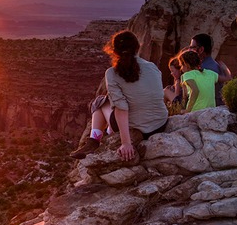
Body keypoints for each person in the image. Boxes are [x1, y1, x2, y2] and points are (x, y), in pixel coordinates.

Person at [70, 30, 168, 161]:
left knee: (99, 102)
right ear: (137, 47)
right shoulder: (152, 67)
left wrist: (126, 143)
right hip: (160, 123)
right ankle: (103, 134)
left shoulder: (112, 73)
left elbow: (121, 108)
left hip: (138, 126)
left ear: (114, 51)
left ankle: (94, 139)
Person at [188, 33, 231, 105]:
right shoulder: (211, 65)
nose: (189, 50)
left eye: (192, 47)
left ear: (201, 49)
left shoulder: (205, 69)